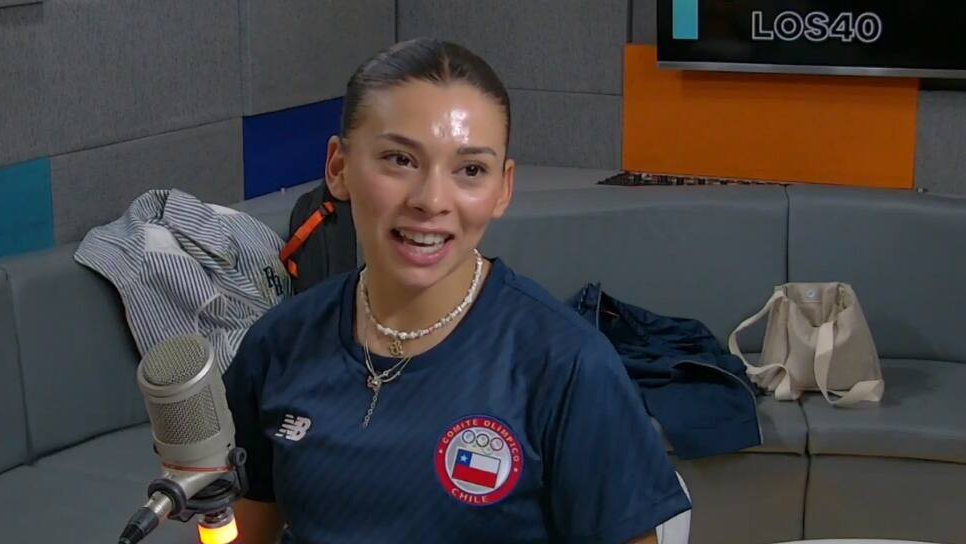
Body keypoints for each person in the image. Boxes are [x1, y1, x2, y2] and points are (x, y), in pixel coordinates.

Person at [223, 38, 691, 543]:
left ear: (503, 189)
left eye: (470, 170)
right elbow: (239, 532)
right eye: (400, 159)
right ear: (339, 168)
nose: (431, 201)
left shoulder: (566, 366)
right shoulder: (280, 343)